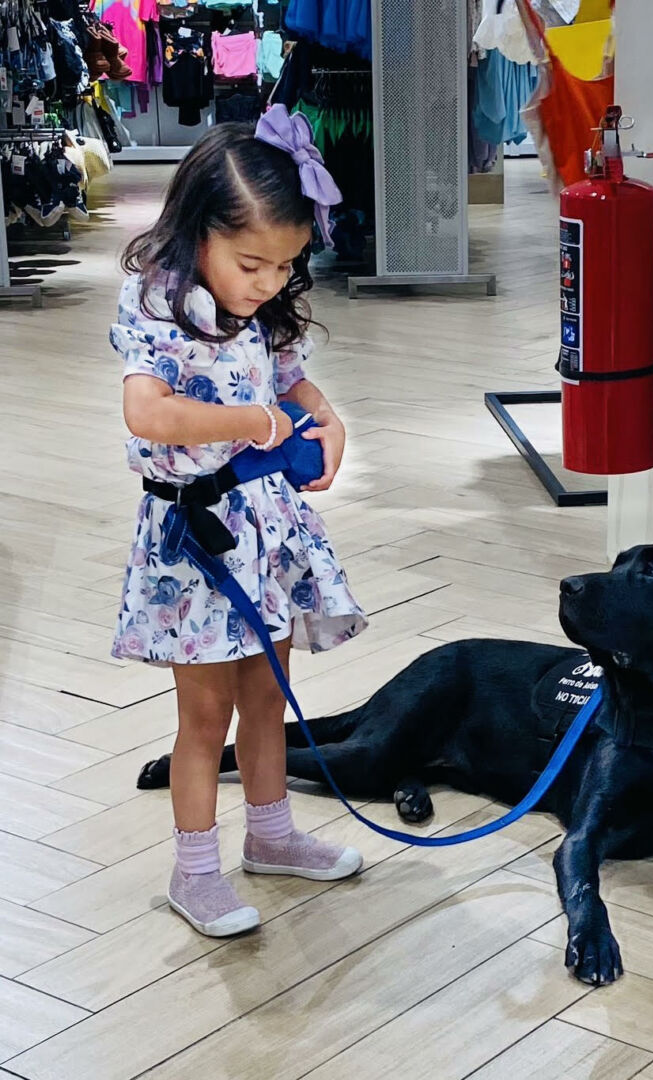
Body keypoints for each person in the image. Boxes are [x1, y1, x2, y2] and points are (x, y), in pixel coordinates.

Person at [110, 106, 368, 937]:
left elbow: (294, 381)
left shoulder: (261, 307)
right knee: (204, 715)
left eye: (283, 266)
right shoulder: (159, 304)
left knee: (267, 695)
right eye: (251, 263)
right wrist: (249, 423)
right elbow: (148, 413)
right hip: (196, 542)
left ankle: (272, 834)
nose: (265, 282)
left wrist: (328, 422)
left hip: (264, 527)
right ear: (199, 233)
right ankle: (194, 873)